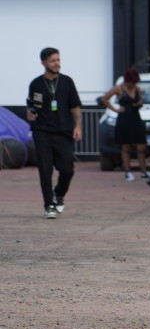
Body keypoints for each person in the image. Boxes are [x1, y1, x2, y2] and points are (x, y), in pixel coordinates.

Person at [26, 47, 81, 219]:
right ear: (43, 62)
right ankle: (49, 205)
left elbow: (75, 106)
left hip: (63, 131)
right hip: (42, 131)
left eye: (58, 60)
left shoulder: (67, 82)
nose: (56, 63)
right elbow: (31, 106)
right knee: (45, 169)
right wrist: (30, 114)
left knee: (67, 170)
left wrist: (78, 126)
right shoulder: (36, 83)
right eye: (52, 61)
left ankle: (59, 193)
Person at [102, 68, 150, 181]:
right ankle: (128, 172)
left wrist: (139, 104)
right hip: (124, 119)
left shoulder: (137, 88)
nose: (132, 84)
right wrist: (115, 110)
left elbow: (141, 101)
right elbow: (104, 99)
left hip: (136, 117)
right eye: (131, 82)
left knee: (141, 146)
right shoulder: (119, 88)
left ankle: (144, 171)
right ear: (127, 80)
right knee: (126, 146)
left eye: (134, 82)